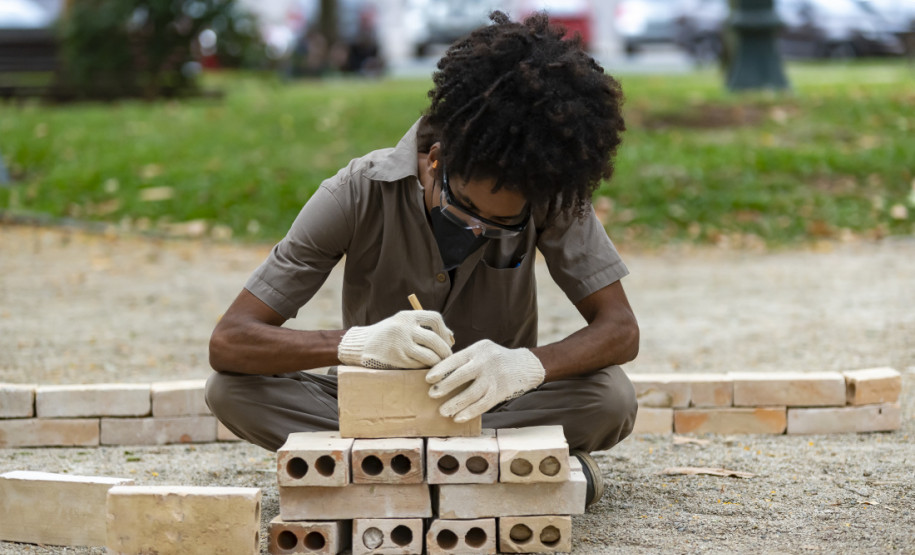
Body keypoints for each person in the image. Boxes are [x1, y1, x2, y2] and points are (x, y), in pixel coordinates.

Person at [206, 10, 638, 509]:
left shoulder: (544, 191)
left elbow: (620, 329)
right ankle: (499, 472)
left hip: (495, 404)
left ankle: (385, 474)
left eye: (500, 226)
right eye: (468, 210)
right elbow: (231, 340)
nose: (478, 231)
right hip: (374, 404)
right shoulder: (354, 192)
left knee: (610, 398)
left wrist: (527, 366)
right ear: (436, 162)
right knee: (231, 392)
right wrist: (357, 344)